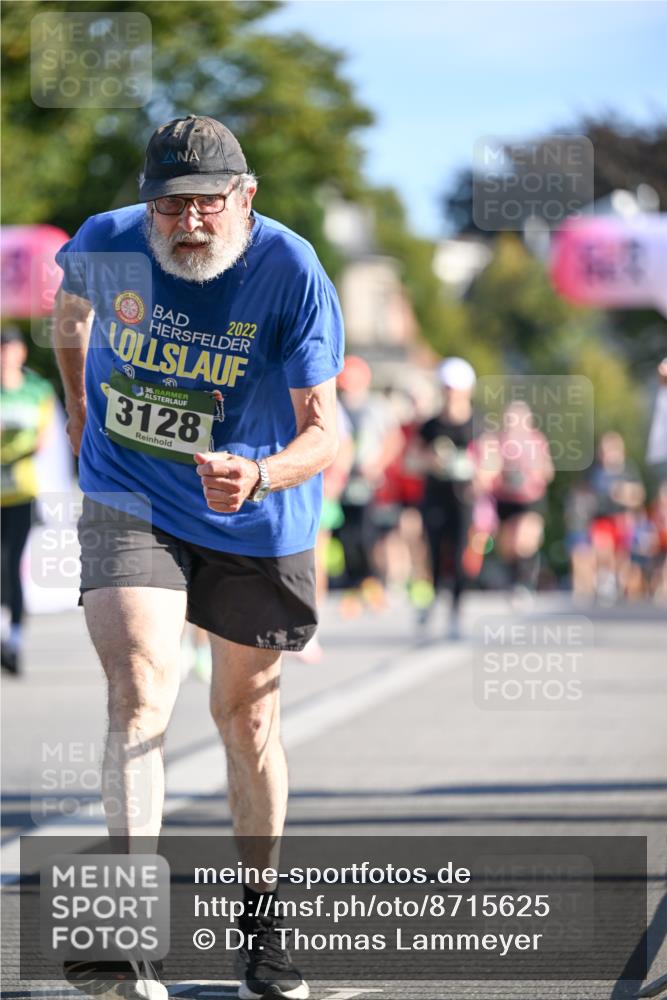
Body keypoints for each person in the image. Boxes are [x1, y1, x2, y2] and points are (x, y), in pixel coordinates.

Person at [53, 114, 343, 1000]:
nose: (186, 223)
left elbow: (326, 430)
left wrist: (257, 474)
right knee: (140, 688)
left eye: (205, 204)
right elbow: (68, 314)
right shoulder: (107, 241)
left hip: (253, 511)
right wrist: (78, 411)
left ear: (244, 197)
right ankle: (124, 946)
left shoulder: (290, 271)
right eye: (168, 206)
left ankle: (263, 922)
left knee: (245, 718)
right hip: (130, 491)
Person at [1, 325, 56, 675]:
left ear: (21, 352)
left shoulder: (37, 389)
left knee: (11, 563)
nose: (6, 355)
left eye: (10, 349)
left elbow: (43, 438)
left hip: (21, 491)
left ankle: (16, 638)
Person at [412, 357, 477, 638]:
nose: (451, 394)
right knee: (435, 548)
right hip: (435, 495)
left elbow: (492, 458)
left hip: (464, 497)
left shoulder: (478, 423)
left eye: (455, 388)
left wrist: (478, 470)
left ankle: (457, 608)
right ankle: (436, 598)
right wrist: (431, 460)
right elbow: (411, 459)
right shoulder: (430, 425)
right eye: (447, 388)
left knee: (461, 551)